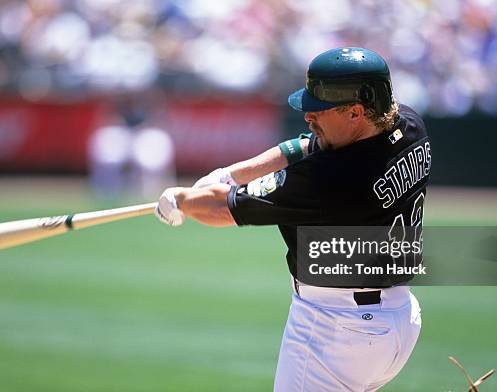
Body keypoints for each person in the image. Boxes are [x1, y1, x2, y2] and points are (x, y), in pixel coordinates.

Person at [154, 47, 430, 391]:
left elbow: (223, 209)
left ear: (356, 112)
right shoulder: (408, 125)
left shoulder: (329, 178)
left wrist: (182, 200)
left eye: (319, 110)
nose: (308, 118)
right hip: (399, 320)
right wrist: (228, 174)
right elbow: (304, 146)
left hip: (337, 329)